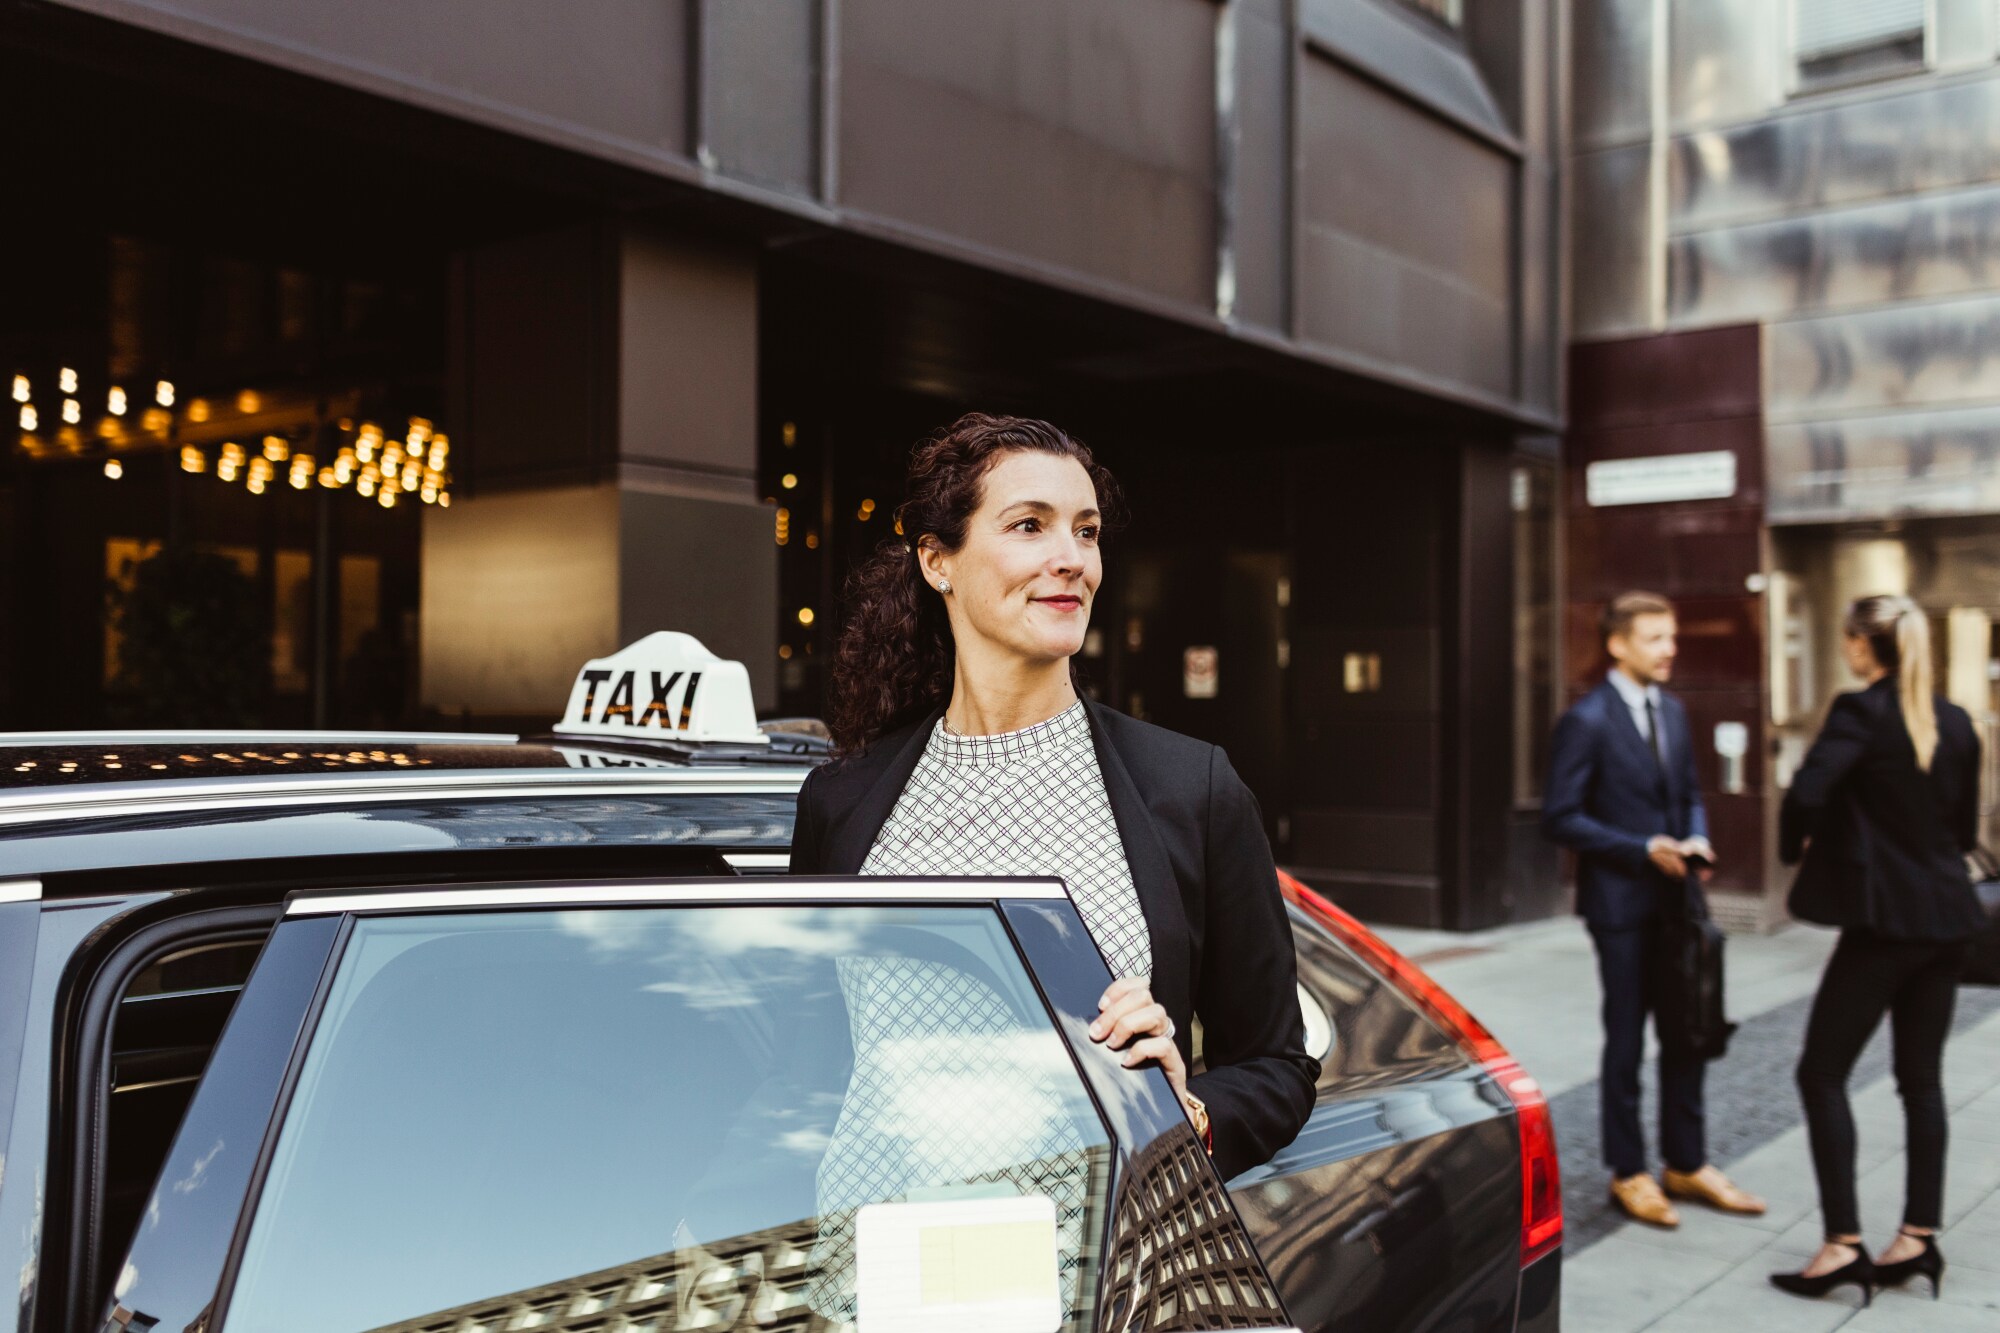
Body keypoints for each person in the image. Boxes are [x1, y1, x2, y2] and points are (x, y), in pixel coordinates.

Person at [790, 412, 1320, 1181]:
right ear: (938, 560)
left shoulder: (1190, 788)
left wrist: (1186, 1113)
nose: (1070, 558)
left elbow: (1275, 1062)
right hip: (874, 1258)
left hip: (1097, 1270)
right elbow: (802, 1061)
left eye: (1087, 530)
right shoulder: (842, 801)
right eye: (1030, 526)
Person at [1770, 594, 1985, 1304]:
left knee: (1821, 1072)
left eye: (1849, 640)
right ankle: (1917, 1238)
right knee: (1920, 1080)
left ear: (1864, 644)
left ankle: (1841, 1245)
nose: (1848, 652)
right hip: (1949, 922)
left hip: (1886, 926)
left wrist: (1797, 842)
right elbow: (1958, 829)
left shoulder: (1862, 710)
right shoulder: (1954, 720)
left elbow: (1807, 788)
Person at [1542, 591, 1766, 1227]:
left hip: (1679, 903)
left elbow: (1691, 793)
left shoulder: (1672, 710)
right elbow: (1561, 818)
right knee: (1626, 1040)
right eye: (1656, 639)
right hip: (1619, 906)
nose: (1670, 649)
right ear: (1618, 644)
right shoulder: (1585, 720)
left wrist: (1693, 837)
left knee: (1687, 1032)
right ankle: (1630, 1172)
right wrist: (1642, 849)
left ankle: (1687, 1164)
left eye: (1671, 637)